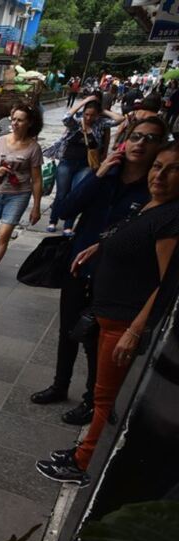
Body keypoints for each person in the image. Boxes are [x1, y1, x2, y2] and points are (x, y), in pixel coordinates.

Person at [37, 143, 179, 486]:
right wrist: (101, 246)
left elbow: (168, 284)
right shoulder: (153, 206)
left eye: (171, 169)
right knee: (102, 393)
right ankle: (83, 452)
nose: (159, 175)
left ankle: (83, 463)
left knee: (104, 398)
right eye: (156, 167)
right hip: (110, 313)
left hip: (125, 322)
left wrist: (136, 329)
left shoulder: (172, 219)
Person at [30, 117, 168, 426]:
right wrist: (99, 172)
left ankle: (93, 401)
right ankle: (59, 384)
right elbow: (64, 210)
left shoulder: (156, 189)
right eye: (136, 137)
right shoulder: (105, 177)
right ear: (124, 141)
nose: (141, 143)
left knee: (97, 341)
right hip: (80, 266)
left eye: (150, 139)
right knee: (68, 330)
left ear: (159, 147)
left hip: (120, 278)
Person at [0, 103, 44, 289]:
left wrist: (36, 207)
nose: (14, 123)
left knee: (4, 235)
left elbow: (37, 180)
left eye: (19, 120)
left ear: (29, 123)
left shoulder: (33, 148)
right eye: (13, 119)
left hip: (18, 195)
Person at [43, 96, 123, 234]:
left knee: (76, 193)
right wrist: (84, 102)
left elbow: (120, 120)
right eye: (86, 114)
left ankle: (68, 225)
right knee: (61, 193)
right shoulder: (76, 124)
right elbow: (66, 117)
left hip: (86, 164)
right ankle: (53, 220)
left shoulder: (100, 124)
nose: (88, 118)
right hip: (67, 162)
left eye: (92, 115)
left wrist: (103, 111)